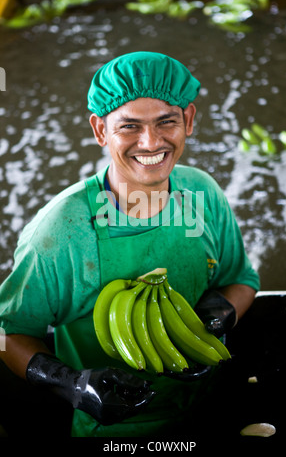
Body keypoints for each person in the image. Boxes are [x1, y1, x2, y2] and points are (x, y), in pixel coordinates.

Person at [0, 51, 260, 438]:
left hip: (208, 405)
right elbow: (8, 332)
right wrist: (71, 383)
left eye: (166, 122)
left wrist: (220, 312)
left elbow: (241, 278)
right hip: (113, 433)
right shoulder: (60, 232)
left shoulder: (202, 192)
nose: (151, 142)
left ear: (188, 120)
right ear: (100, 130)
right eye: (129, 127)